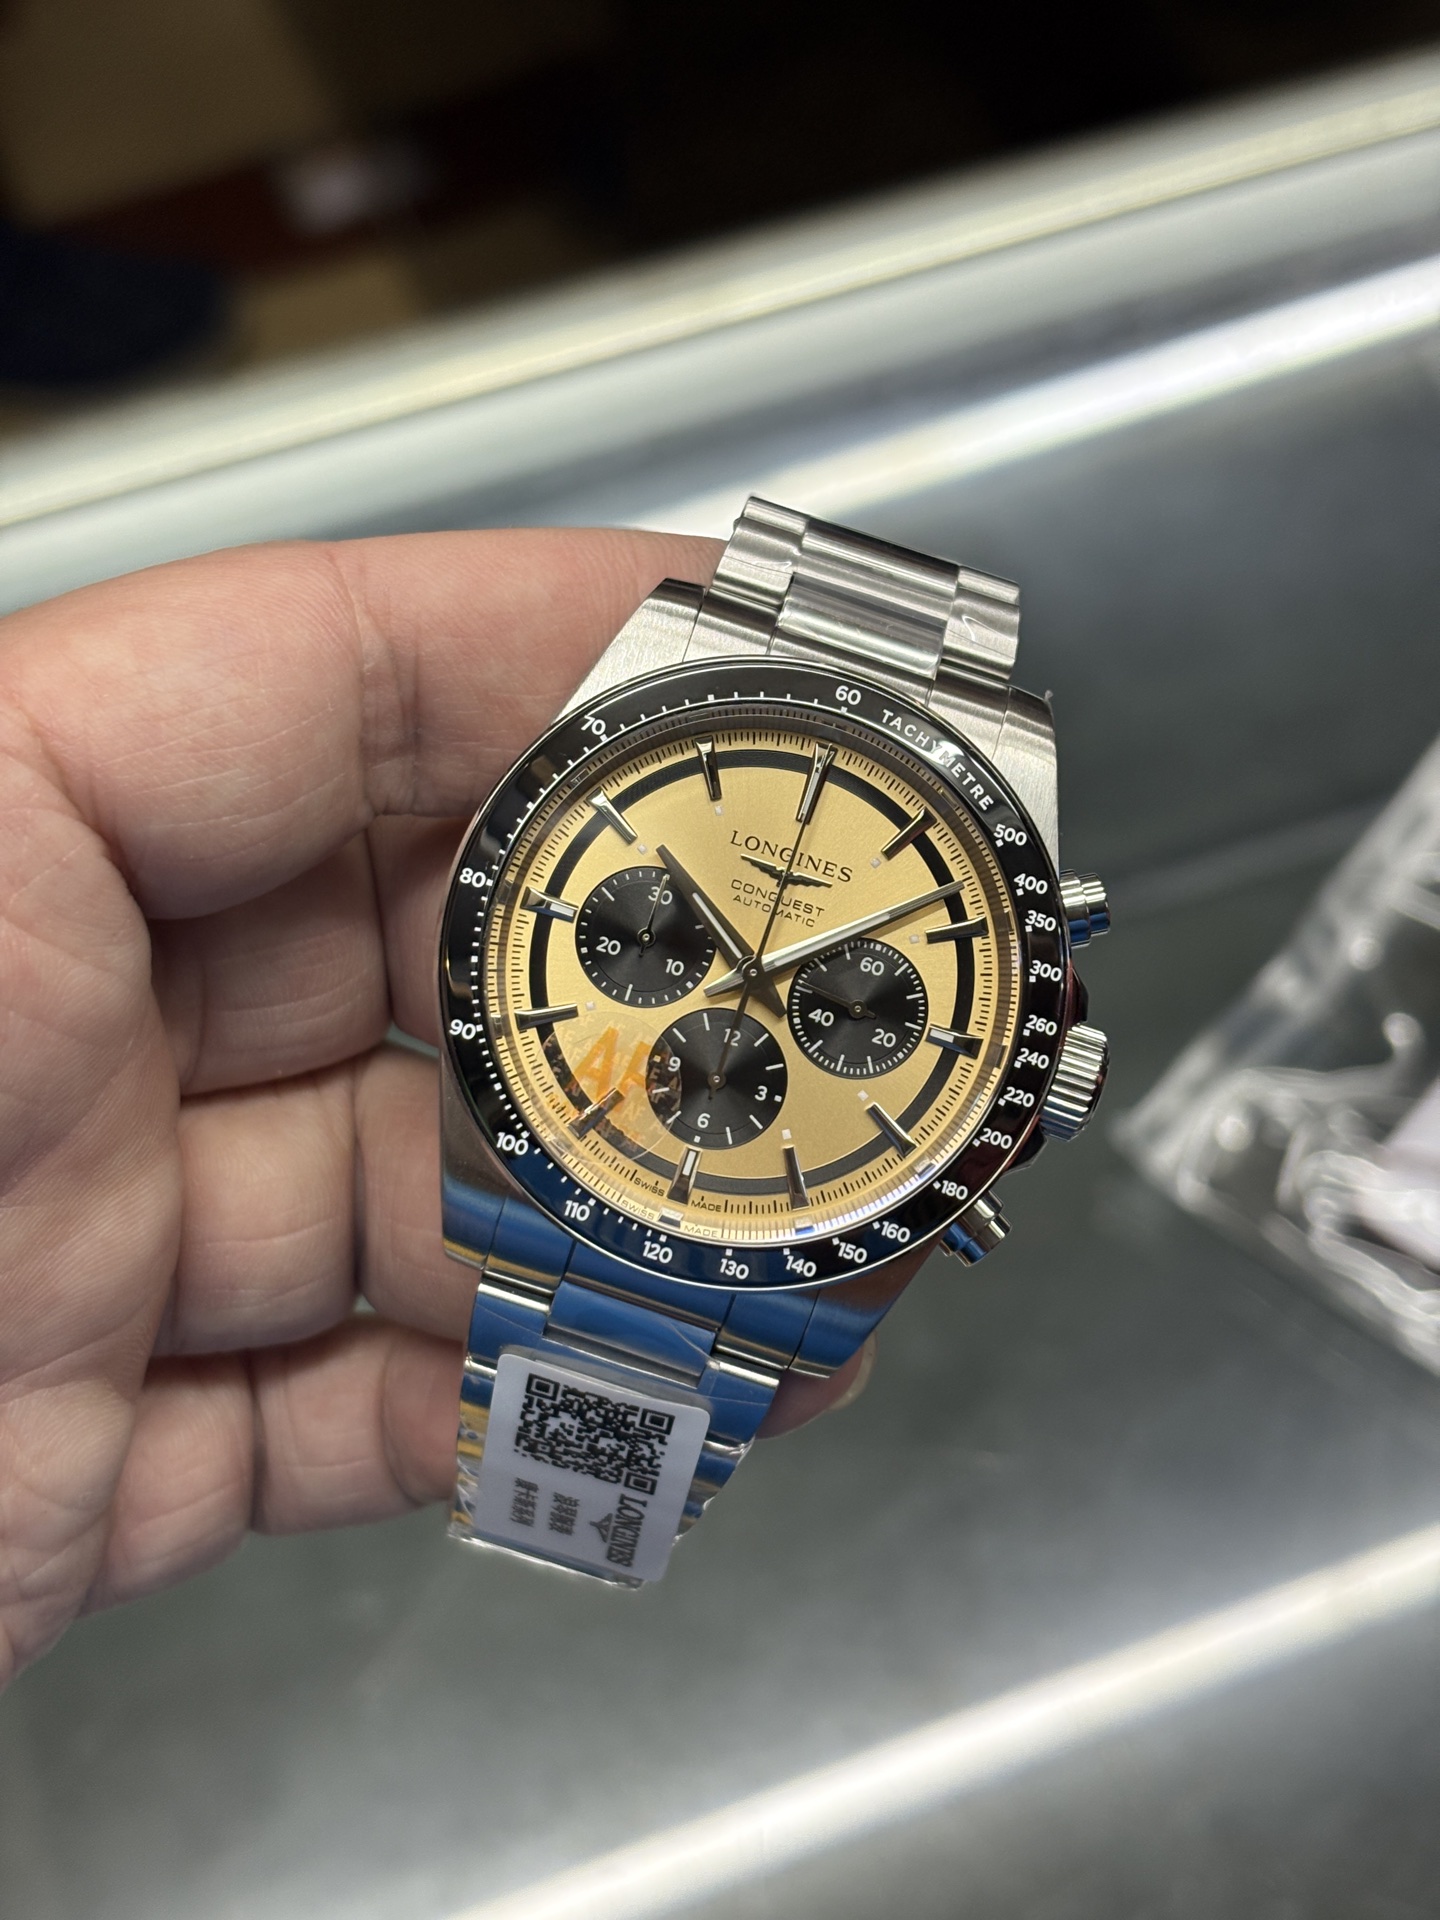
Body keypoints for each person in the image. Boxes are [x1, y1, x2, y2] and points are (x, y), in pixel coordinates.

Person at [0, 529, 916, 1691]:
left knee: (589, 1486)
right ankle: (565, 1528)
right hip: (562, 1159)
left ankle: (569, 1523)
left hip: (721, 1202)